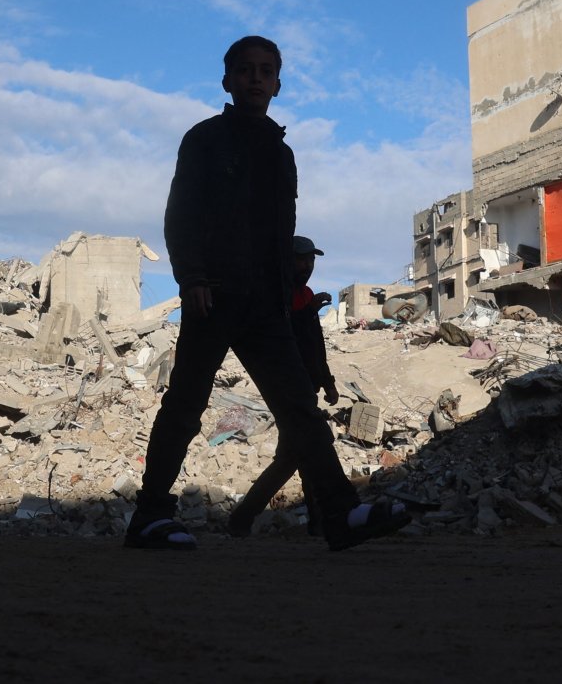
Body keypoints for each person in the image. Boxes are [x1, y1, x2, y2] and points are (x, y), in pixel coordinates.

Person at [124, 36, 409, 551]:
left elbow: (280, 234)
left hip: (266, 303)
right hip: (215, 296)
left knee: (299, 407)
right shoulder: (204, 139)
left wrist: (287, 297)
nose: (256, 79)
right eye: (246, 70)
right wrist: (191, 279)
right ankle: (149, 516)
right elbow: (181, 214)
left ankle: (341, 513)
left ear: (278, 83)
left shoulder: (282, 154)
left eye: (266, 71)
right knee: (187, 404)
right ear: (227, 80)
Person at [227, 235, 339, 537]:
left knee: (298, 457)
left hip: (306, 387)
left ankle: (316, 521)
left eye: (310, 260)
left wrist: (326, 382)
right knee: (305, 453)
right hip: (288, 389)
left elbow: (314, 346)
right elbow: (283, 336)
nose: (306, 266)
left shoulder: (305, 295)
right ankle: (325, 519)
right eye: (300, 260)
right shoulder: (277, 295)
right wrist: (307, 311)